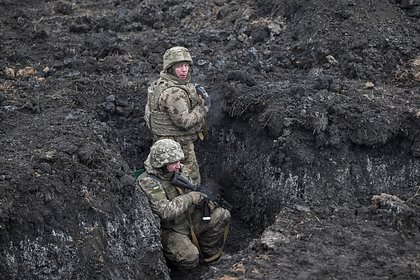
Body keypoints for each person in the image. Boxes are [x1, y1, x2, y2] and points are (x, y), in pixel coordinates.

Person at [137, 139, 230, 271]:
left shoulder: (179, 171)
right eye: (173, 162)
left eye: (179, 161)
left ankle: (207, 250)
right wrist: (191, 198)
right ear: (161, 164)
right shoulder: (149, 182)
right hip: (171, 229)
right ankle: (176, 266)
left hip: (188, 218)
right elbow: (164, 212)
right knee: (190, 258)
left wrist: (205, 202)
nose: (178, 166)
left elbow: (194, 189)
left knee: (222, 215)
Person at [144, 46, 211, 185]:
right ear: (170, 68)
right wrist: (203, 108)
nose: (184, 70)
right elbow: (184, 122)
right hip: (179, 146)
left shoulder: (159, 84)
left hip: (162, 143)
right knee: (191, 180)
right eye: (179, 67)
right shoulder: (174, 93)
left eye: (186, 65)